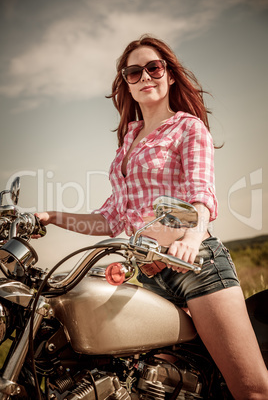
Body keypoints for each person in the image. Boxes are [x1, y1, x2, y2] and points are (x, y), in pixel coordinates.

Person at [36, 35, 268, 399]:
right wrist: (50, 216)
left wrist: (192, 237)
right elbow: (110, 220)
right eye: (134, 71)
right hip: (150, 277)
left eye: (154, 67)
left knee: (251, 388)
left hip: (195, 267)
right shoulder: (127, 143)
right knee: (164, 386)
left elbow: (200, 193)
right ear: (126, 83)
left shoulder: (187, 127)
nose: (145, 76)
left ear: (169, 74)